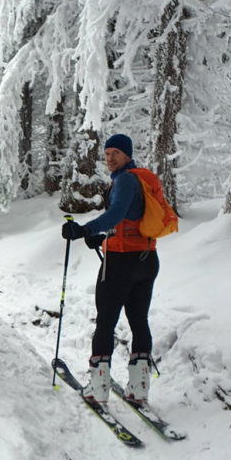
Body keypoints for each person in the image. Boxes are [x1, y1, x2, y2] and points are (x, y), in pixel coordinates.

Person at [60, 133, 159, 406]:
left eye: (115, 152)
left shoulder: (125, 180)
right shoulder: (139, 180)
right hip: (146, 260)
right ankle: (139, 389)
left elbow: (115, 214)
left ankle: (98, 388)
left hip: (121, 264)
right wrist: (102, 237)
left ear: (127, 155)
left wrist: (84, 230)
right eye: (106, 154)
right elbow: (129, 221)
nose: (109, 158)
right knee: (139, 320)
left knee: (106, 322)